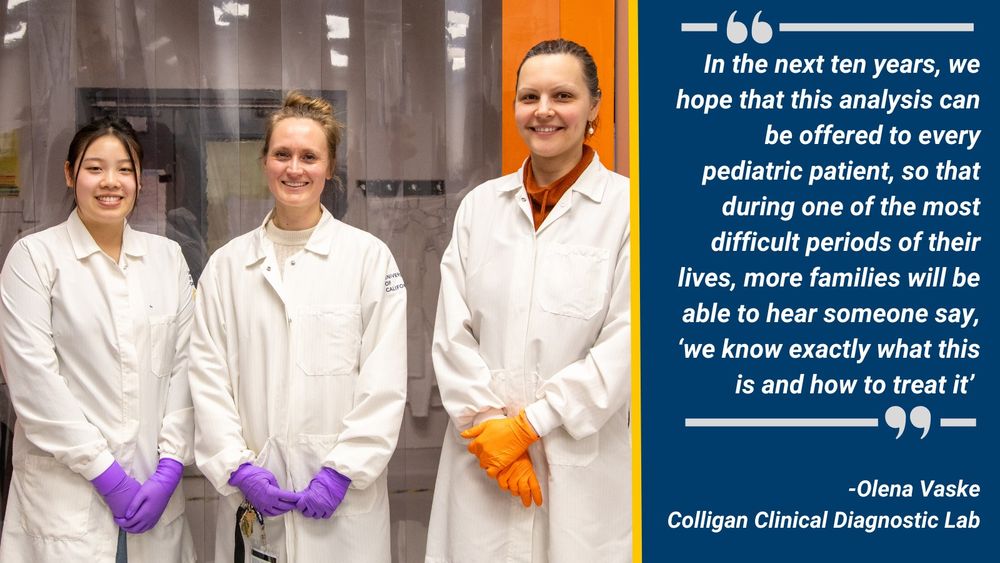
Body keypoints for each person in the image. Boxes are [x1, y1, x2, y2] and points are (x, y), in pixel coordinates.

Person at [425, 39, 632, 562]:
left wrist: (529, 426)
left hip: (578, 464)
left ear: (594, 106)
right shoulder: (480, 208)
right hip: (484, 457)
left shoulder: (628, 210)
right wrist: (491, 425)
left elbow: (627, 345)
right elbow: (453, 333)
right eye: (528, 96)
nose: (543, 111)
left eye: (562, 95)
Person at [188, 91, 407, 562]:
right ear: (264, 161)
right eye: (282, 154)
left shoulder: (368, 260)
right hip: (254, 500)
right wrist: (238, 469)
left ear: (330, 168)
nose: (295, 168)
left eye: (310, 157)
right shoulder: (226, 268)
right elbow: (207, 382)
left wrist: (342, 472)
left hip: (345, 509)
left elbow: (385, 384)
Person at [0, 117, 196, 562]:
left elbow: (188, 367)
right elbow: (35, 386)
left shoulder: (167, 258)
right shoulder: (34, 259)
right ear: (70, 175)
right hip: (66, 505)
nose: (111, 182)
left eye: (124, 169)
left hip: (153, 497)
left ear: (139, 180)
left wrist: (169, 468)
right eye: (95, 168)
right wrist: (107, 475)